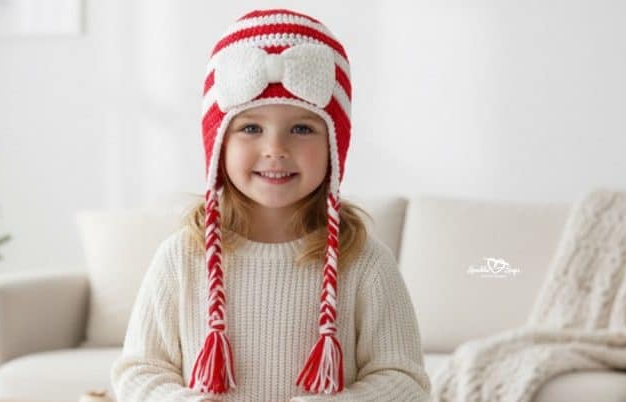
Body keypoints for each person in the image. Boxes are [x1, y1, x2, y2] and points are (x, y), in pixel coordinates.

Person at [110, 8, 432, 402]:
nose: (275, 149)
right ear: (218, 145)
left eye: (301, 128)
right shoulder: (180, 258)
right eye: (251, 128)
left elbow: (403, 379)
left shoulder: (364, 262)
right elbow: (139, 372)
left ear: (334, 147)